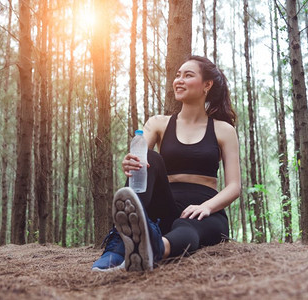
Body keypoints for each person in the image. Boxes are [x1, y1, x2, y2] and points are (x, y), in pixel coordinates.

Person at [91, 55, 241, 272]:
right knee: (147, 157)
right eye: (177, 75)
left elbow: (234, 187)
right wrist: (130, 162)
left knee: (187, 227)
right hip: (165, 205)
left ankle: (153, 248)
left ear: (207, 85)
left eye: (188, 75)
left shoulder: (223, 130)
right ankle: (119, 245)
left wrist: (206, 207)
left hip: (205, 210)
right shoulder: (157, 123)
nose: (179, 80)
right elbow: (140, 159)